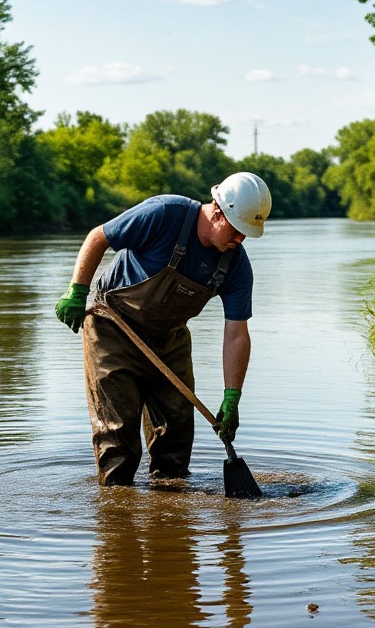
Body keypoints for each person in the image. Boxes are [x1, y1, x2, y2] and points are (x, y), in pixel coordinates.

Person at [54, 172, 272, 486]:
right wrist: (77, 290)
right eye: (237, 230)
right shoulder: (163, 214)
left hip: (169, 340)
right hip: (112, 329)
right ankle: (117, 513)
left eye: (246, 234)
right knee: (118, 437)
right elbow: (98, 237)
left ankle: (169, 516)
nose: (240, 240)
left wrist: (232, 396)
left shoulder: (236, 265)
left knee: (177, 433)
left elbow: (236, 333)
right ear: (217, 210)